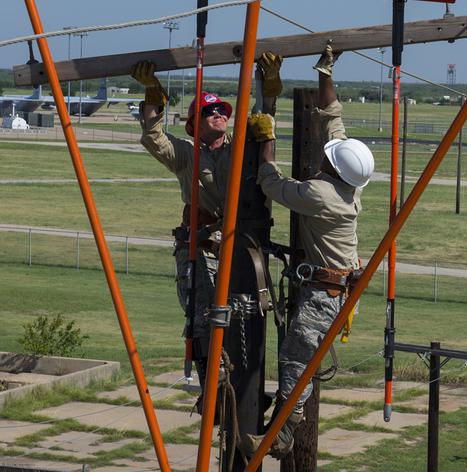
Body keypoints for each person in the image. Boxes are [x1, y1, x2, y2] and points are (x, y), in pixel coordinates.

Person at [242, 45, 374, 458]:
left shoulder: (320, 193)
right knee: (294, 358)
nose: (325, 154)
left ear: (333, 167)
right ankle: (278, 417)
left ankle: (279, 438)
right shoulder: (347, 183)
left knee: (296, 363)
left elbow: (270, 182)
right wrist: (325, 73)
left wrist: (267, 137)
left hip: (323, 294)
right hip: (329, 286)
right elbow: (333, 119)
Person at [132, 52, 283, 406]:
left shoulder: (241, 149)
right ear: (193, 124)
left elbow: (263, 124)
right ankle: (212, 391)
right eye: (208, 112)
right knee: (202, 320)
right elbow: (155, 139)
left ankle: (246, 393)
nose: (218, 115)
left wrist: (269, 87)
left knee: (245, 315)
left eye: (221, 112)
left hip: (239, 244)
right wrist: (153, 96)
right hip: (200, 247)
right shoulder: (187, 155)